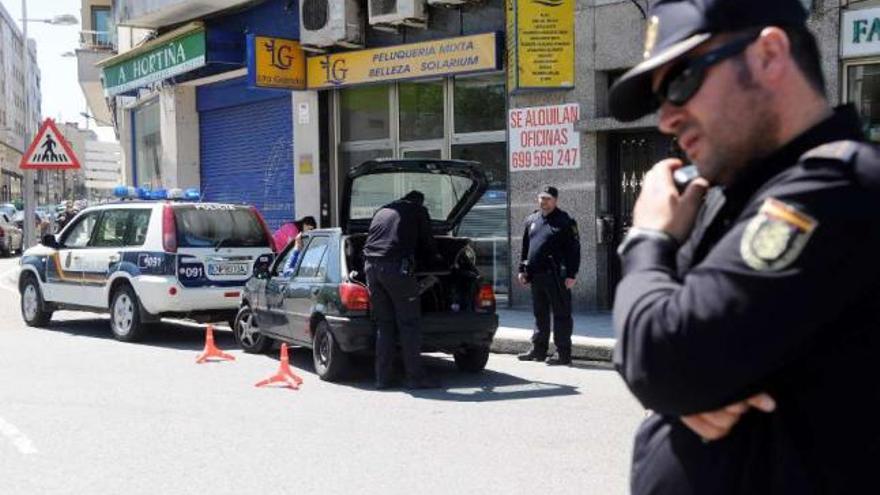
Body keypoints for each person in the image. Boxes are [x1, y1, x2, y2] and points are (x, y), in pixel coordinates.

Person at [608, 0, 880, 493]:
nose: (666, 118)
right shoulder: (727, 196)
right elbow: (653, 345)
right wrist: (683, 384)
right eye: (658, 100)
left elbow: (664, 358)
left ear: (770, 55)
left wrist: (647, 238)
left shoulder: (836, 187)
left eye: (680, 82)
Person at [363, 190, 442, 390]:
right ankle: (415, 378)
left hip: (371, 268)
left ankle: (383, 378)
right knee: (409, 324)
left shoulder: (383, 210)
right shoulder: (417, 210)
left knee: (385, 324)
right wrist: (437, 261)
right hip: (396, 269)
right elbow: (427, 243)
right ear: (419, 201)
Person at [516, 186, 580, 366]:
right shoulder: (532, 219)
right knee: (540, 314)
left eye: (548, 198)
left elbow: (574, 250)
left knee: (561, 314)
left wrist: (571, 274)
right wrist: (522, 269)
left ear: (555, 200)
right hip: (536, 275)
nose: (544, 202)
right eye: (541, 198)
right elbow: (525, 247)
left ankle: (563, 353)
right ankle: (538, 350)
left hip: (557, 276)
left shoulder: (565, 221)